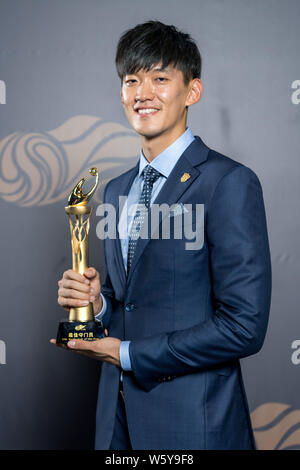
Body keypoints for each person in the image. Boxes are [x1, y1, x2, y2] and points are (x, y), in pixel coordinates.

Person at [52, 20, 272, 450]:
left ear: (192, 91)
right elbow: (126, 302)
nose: (142, 93)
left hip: (194, 425)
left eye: (160, 78)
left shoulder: (227, 182)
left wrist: (127, 354)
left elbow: (244, 327)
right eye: (131, 80)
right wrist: (97, 305)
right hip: (115, 423)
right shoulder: (116, 190)